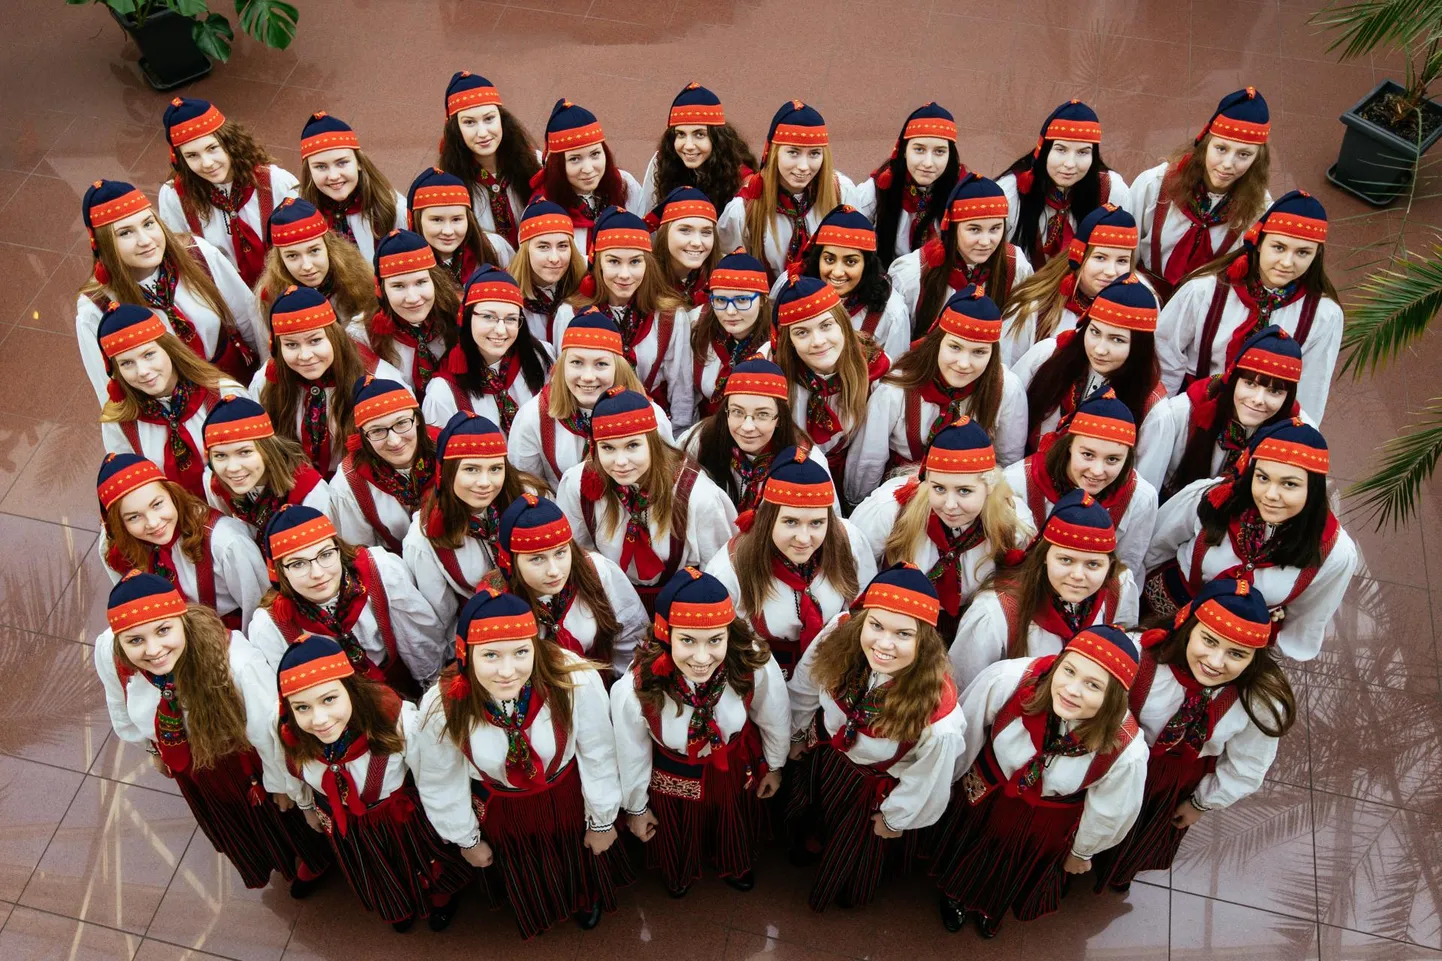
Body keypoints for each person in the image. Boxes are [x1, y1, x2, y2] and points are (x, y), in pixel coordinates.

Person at [411, 587, 631, 938]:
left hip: (566, 798)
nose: (507, 671)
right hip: (505, 812)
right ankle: (537, 905)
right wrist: (467, 839)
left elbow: (599, 752)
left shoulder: (572, 678)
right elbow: (440, 779)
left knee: (577, 856)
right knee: (524, 866)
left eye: (521, 652)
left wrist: (602, 822)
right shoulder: (443, 705)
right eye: (491, 655)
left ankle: (583, 896)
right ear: (465, 654)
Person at [93, 572, 330, 894]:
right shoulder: (109, 651)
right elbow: (117, 702)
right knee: (235, 825)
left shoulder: (234, 662)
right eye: (135, 640)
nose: (153, 650)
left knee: (281, 820)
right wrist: (152, 748)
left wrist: (283, 787)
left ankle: (315, 861)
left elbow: (268, 732)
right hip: (193, 771)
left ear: (182, 621)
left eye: (163, 630)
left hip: (244, 766)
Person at [931, 625, 1146, 937]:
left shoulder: (1126, 748)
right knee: (966, 846)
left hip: (1044, 820)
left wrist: (1083, 851)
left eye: (1093, 685)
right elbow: (970, 727)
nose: (1072, 689)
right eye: (1069, 670)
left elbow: (1112, 809)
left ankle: (991, 907)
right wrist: (947, 781)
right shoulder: (1011, 680)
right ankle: (956, 895)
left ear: (1113, 698)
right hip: (987, 791)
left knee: (1014, 864)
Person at [1094, 577, 1296, 893]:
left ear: (1254, 657)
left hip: (1171, 784)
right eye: (1209, 641)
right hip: (1112, 762)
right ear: (1187, 626)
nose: (1216, 662)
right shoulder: (1139, 654)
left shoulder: (1258, 700)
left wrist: (1202, 803)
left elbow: (1249, 763)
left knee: (1140, 836)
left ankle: (1118, 873)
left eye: (1237, 654)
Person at [786, 564, 966, 911]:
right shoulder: (840, 634)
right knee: (815, 812)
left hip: (873, 788)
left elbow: (928, 779)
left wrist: (895, 817)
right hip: (828, 758)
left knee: (857, 843)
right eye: (876, 625)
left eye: (903, 634)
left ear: (924, 642)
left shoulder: (938, 717)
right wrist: (797, 734)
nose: (884, 643)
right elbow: (807, 683)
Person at [611, 567, 790, 895]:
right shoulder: (635, 688)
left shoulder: (750, 664)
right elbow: (631, 753)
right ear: (666, 635)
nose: (702, 657)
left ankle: (733, 861)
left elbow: (774, 714)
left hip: (732, 770)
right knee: (679, 833)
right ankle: (680, 872)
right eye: (687, 640)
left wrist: (775, 765)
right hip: (673, 780)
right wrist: (637, 808)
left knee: (733, 820)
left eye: (715, 640)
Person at [276, 633, 471, 932]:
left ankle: (441, 897)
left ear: (350, 689)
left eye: (329, 699)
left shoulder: (395, 721)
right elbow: (297, 774)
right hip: (348, 824)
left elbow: (429, 773)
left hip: (398, 817)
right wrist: (307, 807)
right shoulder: (291, 735)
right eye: (302, 707)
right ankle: (397, 906)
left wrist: (443, 820)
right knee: (374, 866)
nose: (319, 719)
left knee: (422, 859)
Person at [1143, 418, 1358, 662]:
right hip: (1161, 615)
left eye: (1289, 484)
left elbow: (1304, 623)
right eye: (1263, 478)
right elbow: (1155, 548)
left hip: (1229, 653)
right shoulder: (1215, 498)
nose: (1271, 495)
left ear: (1314, 488)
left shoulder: (1334, 551)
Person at [1155, 190, 1341, 422]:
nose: (1287, 262)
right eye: (1279, 247)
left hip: (1263, 422)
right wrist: (1164, 420)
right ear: (1259, 242)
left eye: (1302, 252)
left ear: (1316, 255)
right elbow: (1165, 354)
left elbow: (1312, 388)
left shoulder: (1324, 315)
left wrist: (1287, 436)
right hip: (1194, 410)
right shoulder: (1205, 290)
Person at [77, 179, 266, 403]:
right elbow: (110, 392)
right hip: (178, 411)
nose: (145, 240)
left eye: (148, 224)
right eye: (125, 233)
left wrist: (265, 385)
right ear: (102, 245)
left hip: (240, 382)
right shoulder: (96, 309)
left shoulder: (197, 254)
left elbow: (249, 319)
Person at [849, 416, 1033, 640]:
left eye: (964, 491)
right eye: (939, 489)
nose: (950, 505)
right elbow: (856, 573)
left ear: (989, 487)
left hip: (971, 635)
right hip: (892, 632)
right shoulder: (890, 510)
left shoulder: (1013, 523)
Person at [555, 387, 736, 612]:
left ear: (652, 442)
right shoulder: (578, 483)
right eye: (608, 448)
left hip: (683, 607)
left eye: (632, 445)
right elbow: (579, 556)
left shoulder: (697, 495)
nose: (620, 461)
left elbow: (716, 573)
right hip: (610, 604)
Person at [706, 447, 874, 677]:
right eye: (791, 522)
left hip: (835, 669)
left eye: (816, 523)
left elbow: (863, 610)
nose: (804, 538)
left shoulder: (849, 541)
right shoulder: (730, 569)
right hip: (763, 673)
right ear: (768, 519)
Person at [249, 505, 447, 699]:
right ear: (280, 571)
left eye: (325, 554)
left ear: (338, 550)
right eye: (298, 564)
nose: (317, 573)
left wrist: (429, 696)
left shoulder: (379, 571)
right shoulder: (270, 625)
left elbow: (421, 641)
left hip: (403, 690)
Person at [949, 489, 1140, 690]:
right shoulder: (996, 611)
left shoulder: (1118, 589)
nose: (1078, 575)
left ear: (1109, 565)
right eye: (1066, 560)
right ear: (1045, 556)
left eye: (1093, 564)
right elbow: (963, 687)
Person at [852, 286, 1028, 501]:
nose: (964, 364)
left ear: (992, 353)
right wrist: (859, 504)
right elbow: (869, 459)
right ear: (937, 342)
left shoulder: (1006, 389)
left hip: (971, 501)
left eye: (979, 352)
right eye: (955, 347)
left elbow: (1007, 462)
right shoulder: (896, 389)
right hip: (902, 494)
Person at [1127, 88, 1273, 303]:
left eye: (1244, 154)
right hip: (1140, 298)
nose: (1228, 164)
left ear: (1257, 160)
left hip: (1202, 308)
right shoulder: (1155, 184)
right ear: (1205, 144)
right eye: (1221, 148)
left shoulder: (1260, 210)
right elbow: (1125, 248)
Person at [553, 207, 694, 425]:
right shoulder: (570, 314)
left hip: (651, 424)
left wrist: (675, 434)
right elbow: (562, 382)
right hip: (588, 425)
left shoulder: (669, 317)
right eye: (614, 261)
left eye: (635, 262)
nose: (625, 274)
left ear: (647, 263)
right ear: (597, 262)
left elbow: (681, 387)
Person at [97, 453, 269, 633]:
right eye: (134, 517)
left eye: (157, 504)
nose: (153, 523)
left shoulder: (226, 542)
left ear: (172, 494)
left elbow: (259, 610)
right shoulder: (121, 549)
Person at [402, 412, 543, 629]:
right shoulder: (422, 540)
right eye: (471, 469)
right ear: (447, 472)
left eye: (495, 469)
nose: (485, 482)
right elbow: (443, 618)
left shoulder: (528, 497)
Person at [507, 309, 674, 489]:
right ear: (562, 366)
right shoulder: (533, 416)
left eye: (601, 364)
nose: (588, 376)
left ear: (618, 367)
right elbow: (528, 486)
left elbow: (665, 478)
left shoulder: (651, 417)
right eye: (576, 362)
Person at [97, 302, 248, 499]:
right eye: (126, 363)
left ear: (169, 349)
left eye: (149, 354)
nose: (142, 371)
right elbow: (135, 491)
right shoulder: (121, 422)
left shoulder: (223, 394)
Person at [1003, 388, 1159, 577]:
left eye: (1112, 459)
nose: (1097, 471)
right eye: (1087, 455)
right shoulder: (1018, 481)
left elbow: (1126, 567)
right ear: (1069, 445)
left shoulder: (1140, 497)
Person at [491, 493, 648, 678]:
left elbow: (631, 633)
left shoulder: (596, 571)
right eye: (537, 559)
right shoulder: (496, 603)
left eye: (560, 553)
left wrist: (621, 685)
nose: (554, 570)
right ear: (511, 562)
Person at [1134, 325, 1302, 497]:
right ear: (1233, 379)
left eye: (1274, 391)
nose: (1259, 400)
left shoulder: (1296, 433)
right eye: (1250, 384)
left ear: (1288, 397)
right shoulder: (1180, 414)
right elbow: (1145, 491)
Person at [256, 284, 403, 475]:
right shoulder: (267, 380)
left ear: (334, 337)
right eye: (291, 345)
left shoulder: (377, 379)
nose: (305, 355)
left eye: (315, 340)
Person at [1014, 273, 1165, 455]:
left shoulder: (1153, 409)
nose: (1100, 349)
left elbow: (1140, 473)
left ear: (1140, 347)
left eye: (1117, 340)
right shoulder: (1048, 355)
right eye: (1094, 332)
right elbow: (1010, 416)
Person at [157, 97, 300, 287]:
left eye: (212, 148)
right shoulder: (175, 196)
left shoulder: (276, 182)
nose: (207, 163)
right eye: (192, 155)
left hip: (283, 286)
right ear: (181, 160)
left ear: (230, 142)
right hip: (223, 291)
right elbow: (181, 255)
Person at [773, 277, 890, 505]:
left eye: (826, 325)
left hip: (851, 477)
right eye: (801, 332)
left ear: (843, 323)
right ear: (789, 341)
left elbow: (871, 451)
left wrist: (855, 500)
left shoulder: (875, 368)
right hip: (790, 483)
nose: (818, 341)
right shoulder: (773, 369)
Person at [717, 100, 856, 280]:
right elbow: (732, 276)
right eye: (793, 152)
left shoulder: (841, 192)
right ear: (773, 153)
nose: (804, 166)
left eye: (814, 153)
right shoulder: (744, 210)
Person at [679, 358, 837, 514]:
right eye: (737, 412)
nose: (747, 427)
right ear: (726, 412)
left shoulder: (807, 461)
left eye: (762, 414)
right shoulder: (702, 439)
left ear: (780, 418)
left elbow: (827, 521)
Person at [888, 173, 1034, 339]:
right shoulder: (913, 273)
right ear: (952, 228)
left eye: (995, 229)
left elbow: (1017, 339)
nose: (985, 242)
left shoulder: (1015, 266)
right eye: (974, 229)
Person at [999, 203, 1139, 366]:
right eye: (1100, 258)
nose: (1111, 271)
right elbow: (1005, 370)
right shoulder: (1034, 310)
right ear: (1078, 257)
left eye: (1122, 261)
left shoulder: (1138, 308)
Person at [996, 100, 1130, 269]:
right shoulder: (1009, 192)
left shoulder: (1110, 190)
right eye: (1061, 150)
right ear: (1044, 150)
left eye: (1083, 152)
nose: (1070, 164)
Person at [424, 264, 552, 432]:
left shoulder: (541, 356)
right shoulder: (442, 393)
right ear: (467, 317)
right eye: (488, 317)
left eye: (511, 319)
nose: (500, 330)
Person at [783, 204, 911, 360]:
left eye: (850, 262)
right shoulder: (793, 287)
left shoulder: (892, 313)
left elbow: (894, 370)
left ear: (867, 265)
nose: (837, 272)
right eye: (829, 260)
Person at [202, 396, 335, 542]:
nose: (233, 468)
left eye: (245, 452)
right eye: (220, 455)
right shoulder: (218, 484)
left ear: (267, 450)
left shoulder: (309, 492)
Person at [435, 71, 541, 248]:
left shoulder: (535, 163)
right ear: (456, 130)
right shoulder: (449, 185)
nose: (483, 133)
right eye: (469, 122)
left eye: (489, 118)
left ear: (502, 120)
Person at [331, 376, 437, 553]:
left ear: (417, 419)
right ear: (364, 435)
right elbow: (362, 553)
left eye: (401, 423)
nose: (394, 441)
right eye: (377, 431)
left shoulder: (449, 450)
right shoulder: (349, 483)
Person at [349, 229, 460, 396]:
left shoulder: (457, 315)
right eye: (398, 286)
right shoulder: (362, 334)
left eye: (421, 282)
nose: (413, 298)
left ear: (434, 281)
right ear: (381, 290)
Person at [851, 103, 964, 265]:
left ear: (950, 155)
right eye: (919, 150)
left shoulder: (962, 192)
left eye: (939, 151)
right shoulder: (878, 190)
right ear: (904, 150)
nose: (928, 163)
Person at [530, 98, 644, 256]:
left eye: (595, 154)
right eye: (574, 159)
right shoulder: (543, 206)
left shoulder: (624, 184)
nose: (589, 169)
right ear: (558, 165)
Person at [297, 112, 406, 263]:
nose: (333, 176)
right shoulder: (300, 213)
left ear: (359, 162)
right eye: (321, 167)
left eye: (342, 163)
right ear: (309, 171)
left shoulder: (392, 208)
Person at [637, 81, 758, 213]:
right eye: (681, 134)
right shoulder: (665, 164)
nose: (688, 146)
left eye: (699, 134)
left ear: (718, 139)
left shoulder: (743, 185)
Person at [256, 198, 377, 322]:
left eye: (314, 251)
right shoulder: (270, 297)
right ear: (280, 260)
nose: (307, 266)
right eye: (292, 256)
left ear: (329, 247)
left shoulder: (360, 281)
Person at [686, 249, 773, 421]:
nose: (730, 311)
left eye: (742, 300)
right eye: (721, 300)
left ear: (762, 300)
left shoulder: (776, 345)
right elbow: (684, 393)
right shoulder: (697, 326)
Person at [406, 167, 513, 289]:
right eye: (437, 220)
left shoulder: (494, 248)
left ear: (468, 218)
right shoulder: (408, 267)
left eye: (456, 219)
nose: (448, 231)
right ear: (416, 221)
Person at [511, 200, 587, 347]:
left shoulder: (586, 282)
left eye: (562, 246)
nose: (554, 258)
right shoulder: (507, 292)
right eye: (543, 247)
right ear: (525, 250)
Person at [648, 185, 720, 307]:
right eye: (685, 230)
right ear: (664, 233)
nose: (697, 242)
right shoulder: (643, 282)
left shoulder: (719, 281)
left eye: (706, 232)